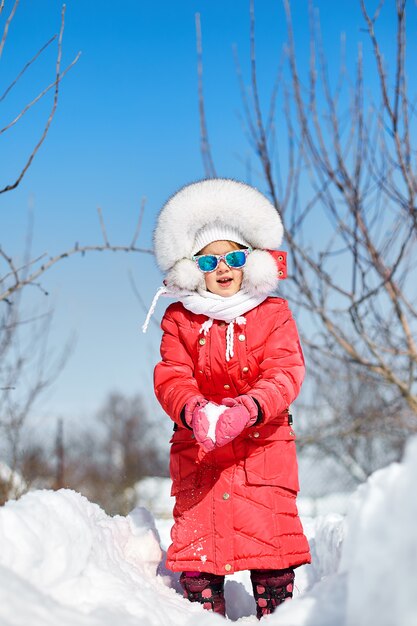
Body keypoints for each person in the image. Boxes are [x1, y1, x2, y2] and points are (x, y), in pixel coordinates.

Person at [143, 178, 311, 619]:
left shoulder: (273, 313)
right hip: (201, 455)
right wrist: (192, 408)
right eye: (209, 260)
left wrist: (250, 407)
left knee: (272, 561)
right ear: (192, 267)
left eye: (234, 257)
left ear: (249, 262)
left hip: (263, 455)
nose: (223, 268)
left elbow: (285, 371)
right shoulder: (179, 319)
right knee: (200, 564)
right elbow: (170, 375)